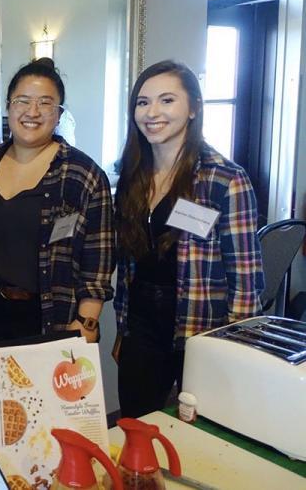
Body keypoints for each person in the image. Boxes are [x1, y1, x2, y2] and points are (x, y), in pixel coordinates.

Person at [113, 60, 264, 418]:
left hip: (201, 332)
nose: (152, 112)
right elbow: (128, 266)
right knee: (138, 429)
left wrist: (232, 354)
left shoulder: (224, 179)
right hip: (141, 330)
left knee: (201, 436)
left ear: (193, 107)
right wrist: (123, 329)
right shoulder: (132, 174)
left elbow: (246, 283)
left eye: (167, 100)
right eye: (142, 102)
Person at [0, 58, 114, 345]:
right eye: (23, 101)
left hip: (53, 318)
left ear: (59, 113)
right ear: (8, 107)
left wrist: (86, 323)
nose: (33, 112)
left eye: (46, 103)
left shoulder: (82, 174)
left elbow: (97, 258)